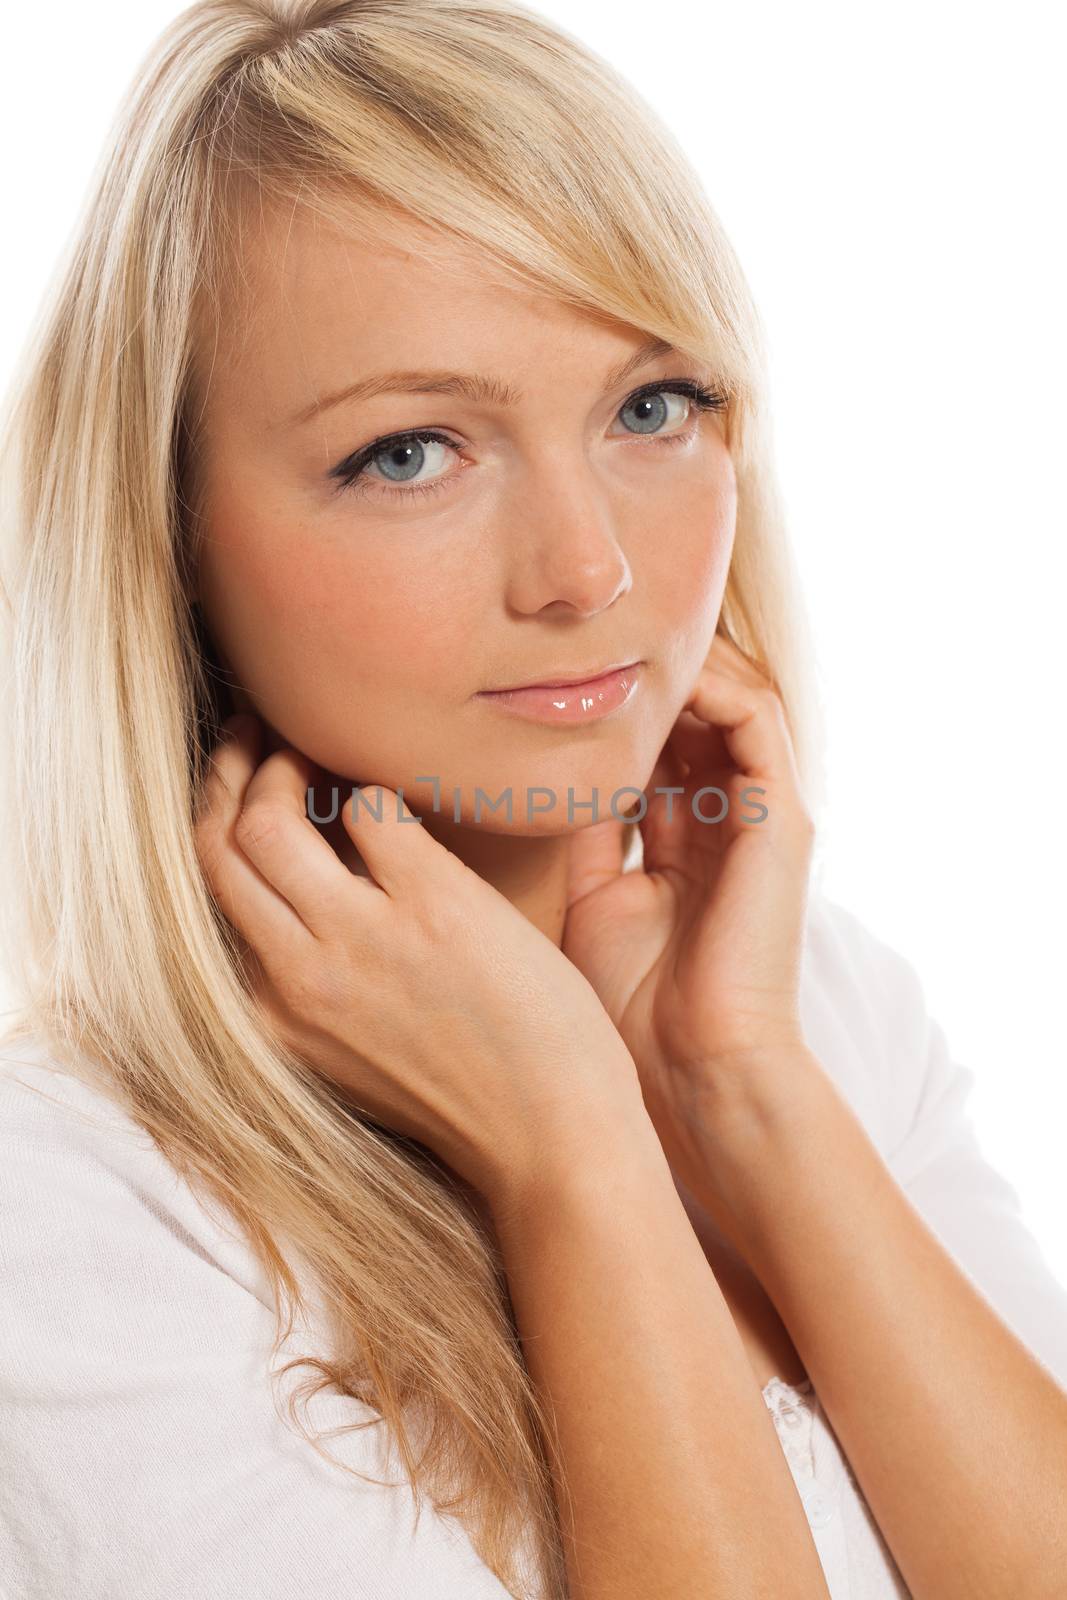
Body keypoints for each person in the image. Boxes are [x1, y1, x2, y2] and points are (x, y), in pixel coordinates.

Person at [1, 2, 1065, 1597]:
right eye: (414, 451)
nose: (594, 572)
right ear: (170, 532)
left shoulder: (814, 1006)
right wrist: (574, 1146)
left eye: (652, 409)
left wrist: (741, 1092)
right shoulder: (70, 1220)